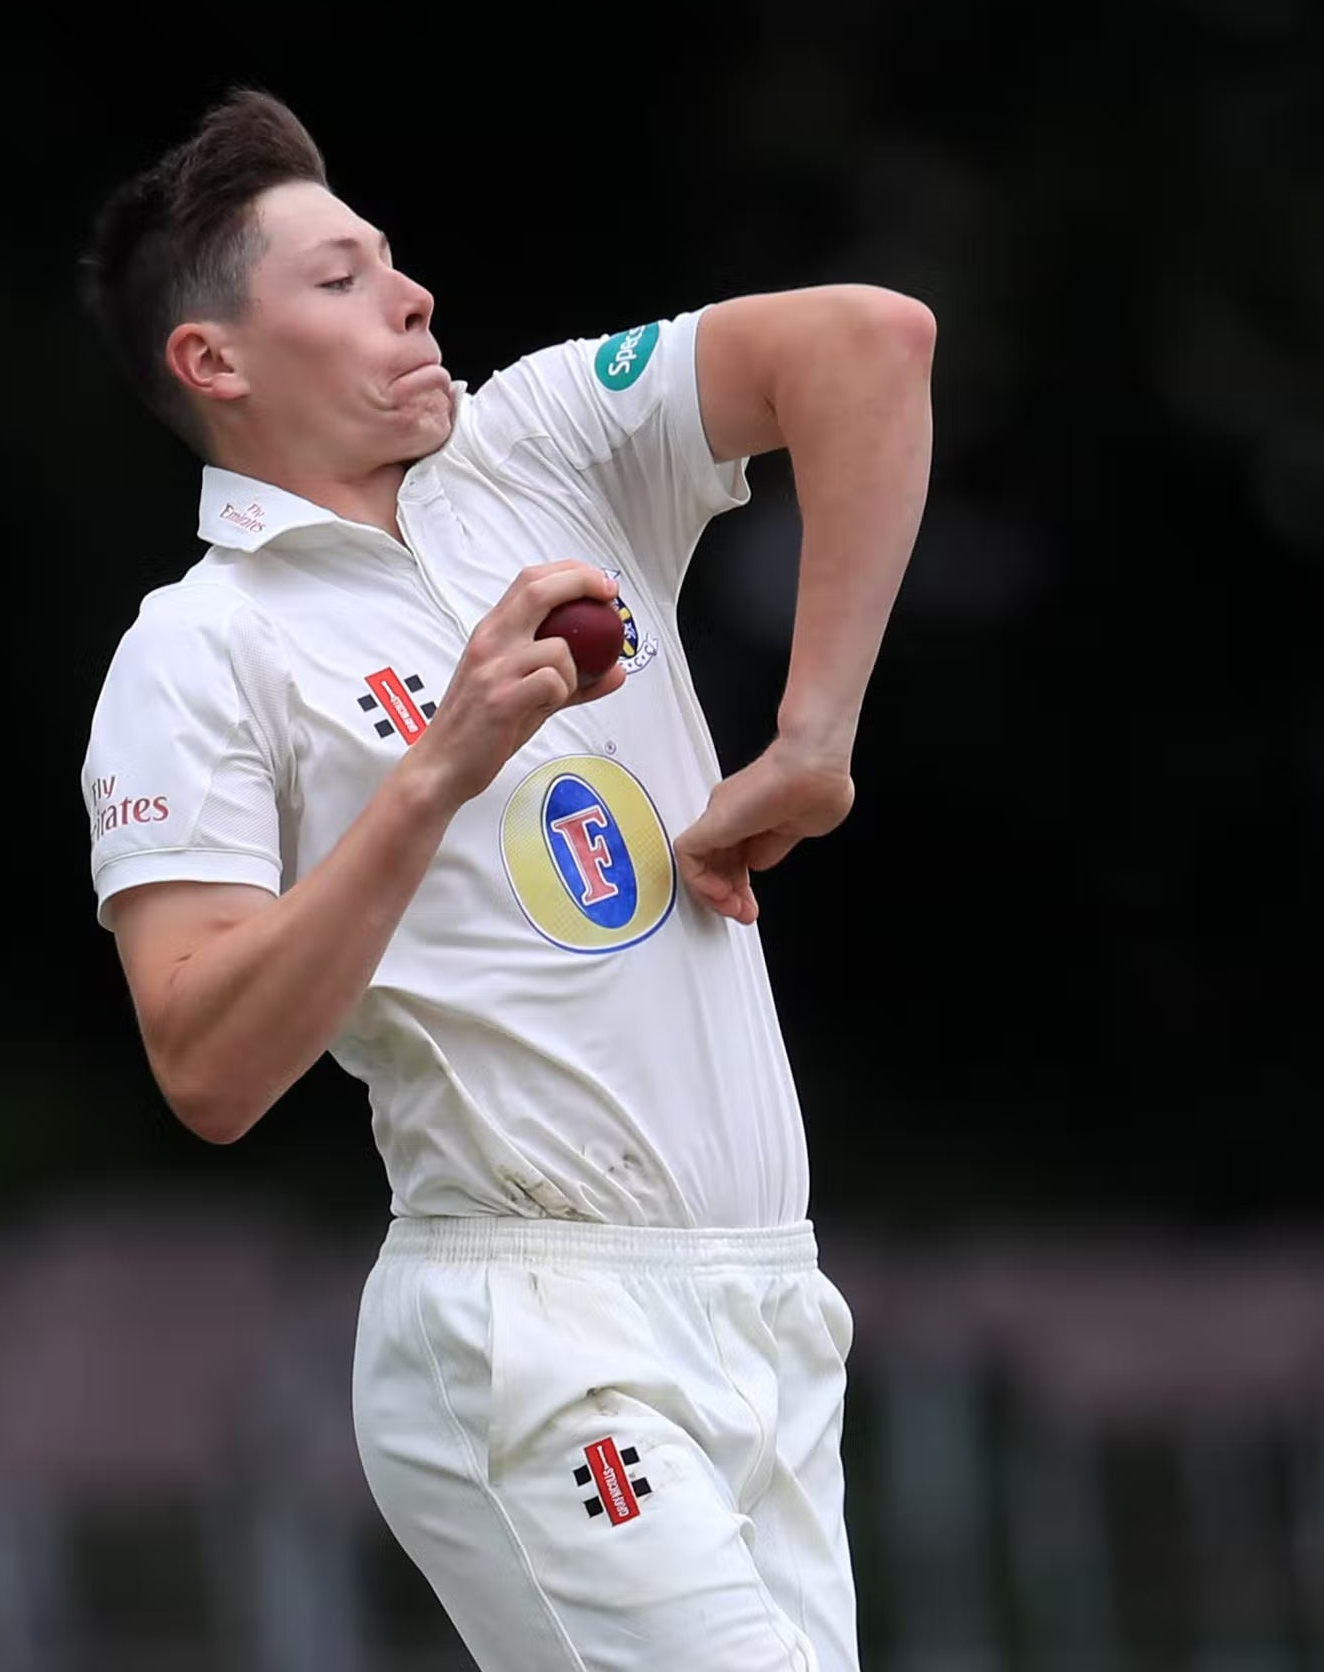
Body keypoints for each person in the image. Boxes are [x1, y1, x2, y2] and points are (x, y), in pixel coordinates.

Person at [75, 86, 934, 1672]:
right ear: (215, 363)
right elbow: (203, 1063)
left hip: (764, 1298)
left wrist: (812, 733)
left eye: (390, 260)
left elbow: (869, 343)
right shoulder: (197, 649)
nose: (407, 295)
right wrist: (437, 773)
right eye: (336, 280)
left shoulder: (538, 444)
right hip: (528, 1325)